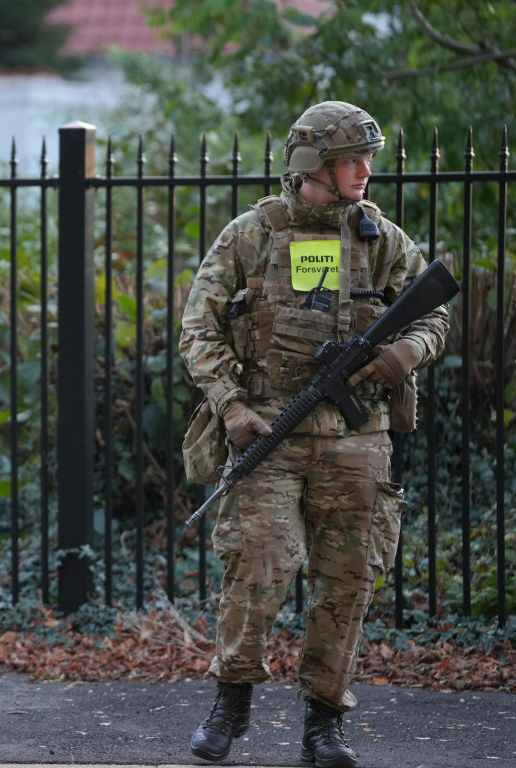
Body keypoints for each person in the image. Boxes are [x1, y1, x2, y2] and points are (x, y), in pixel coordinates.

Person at [179, 101, 450, 767]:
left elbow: (433, 314)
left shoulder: (381, 239)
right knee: (258, 567)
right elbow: (198, 330)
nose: (365, 171)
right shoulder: (252, 235)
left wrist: (403, 354)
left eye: (367, 160)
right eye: (351, 160)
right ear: (313, 166)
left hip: (358, 442)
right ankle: (231, 701)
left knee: (348, 580)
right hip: (269, 431)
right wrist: (231, 407)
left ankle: (324, 723)